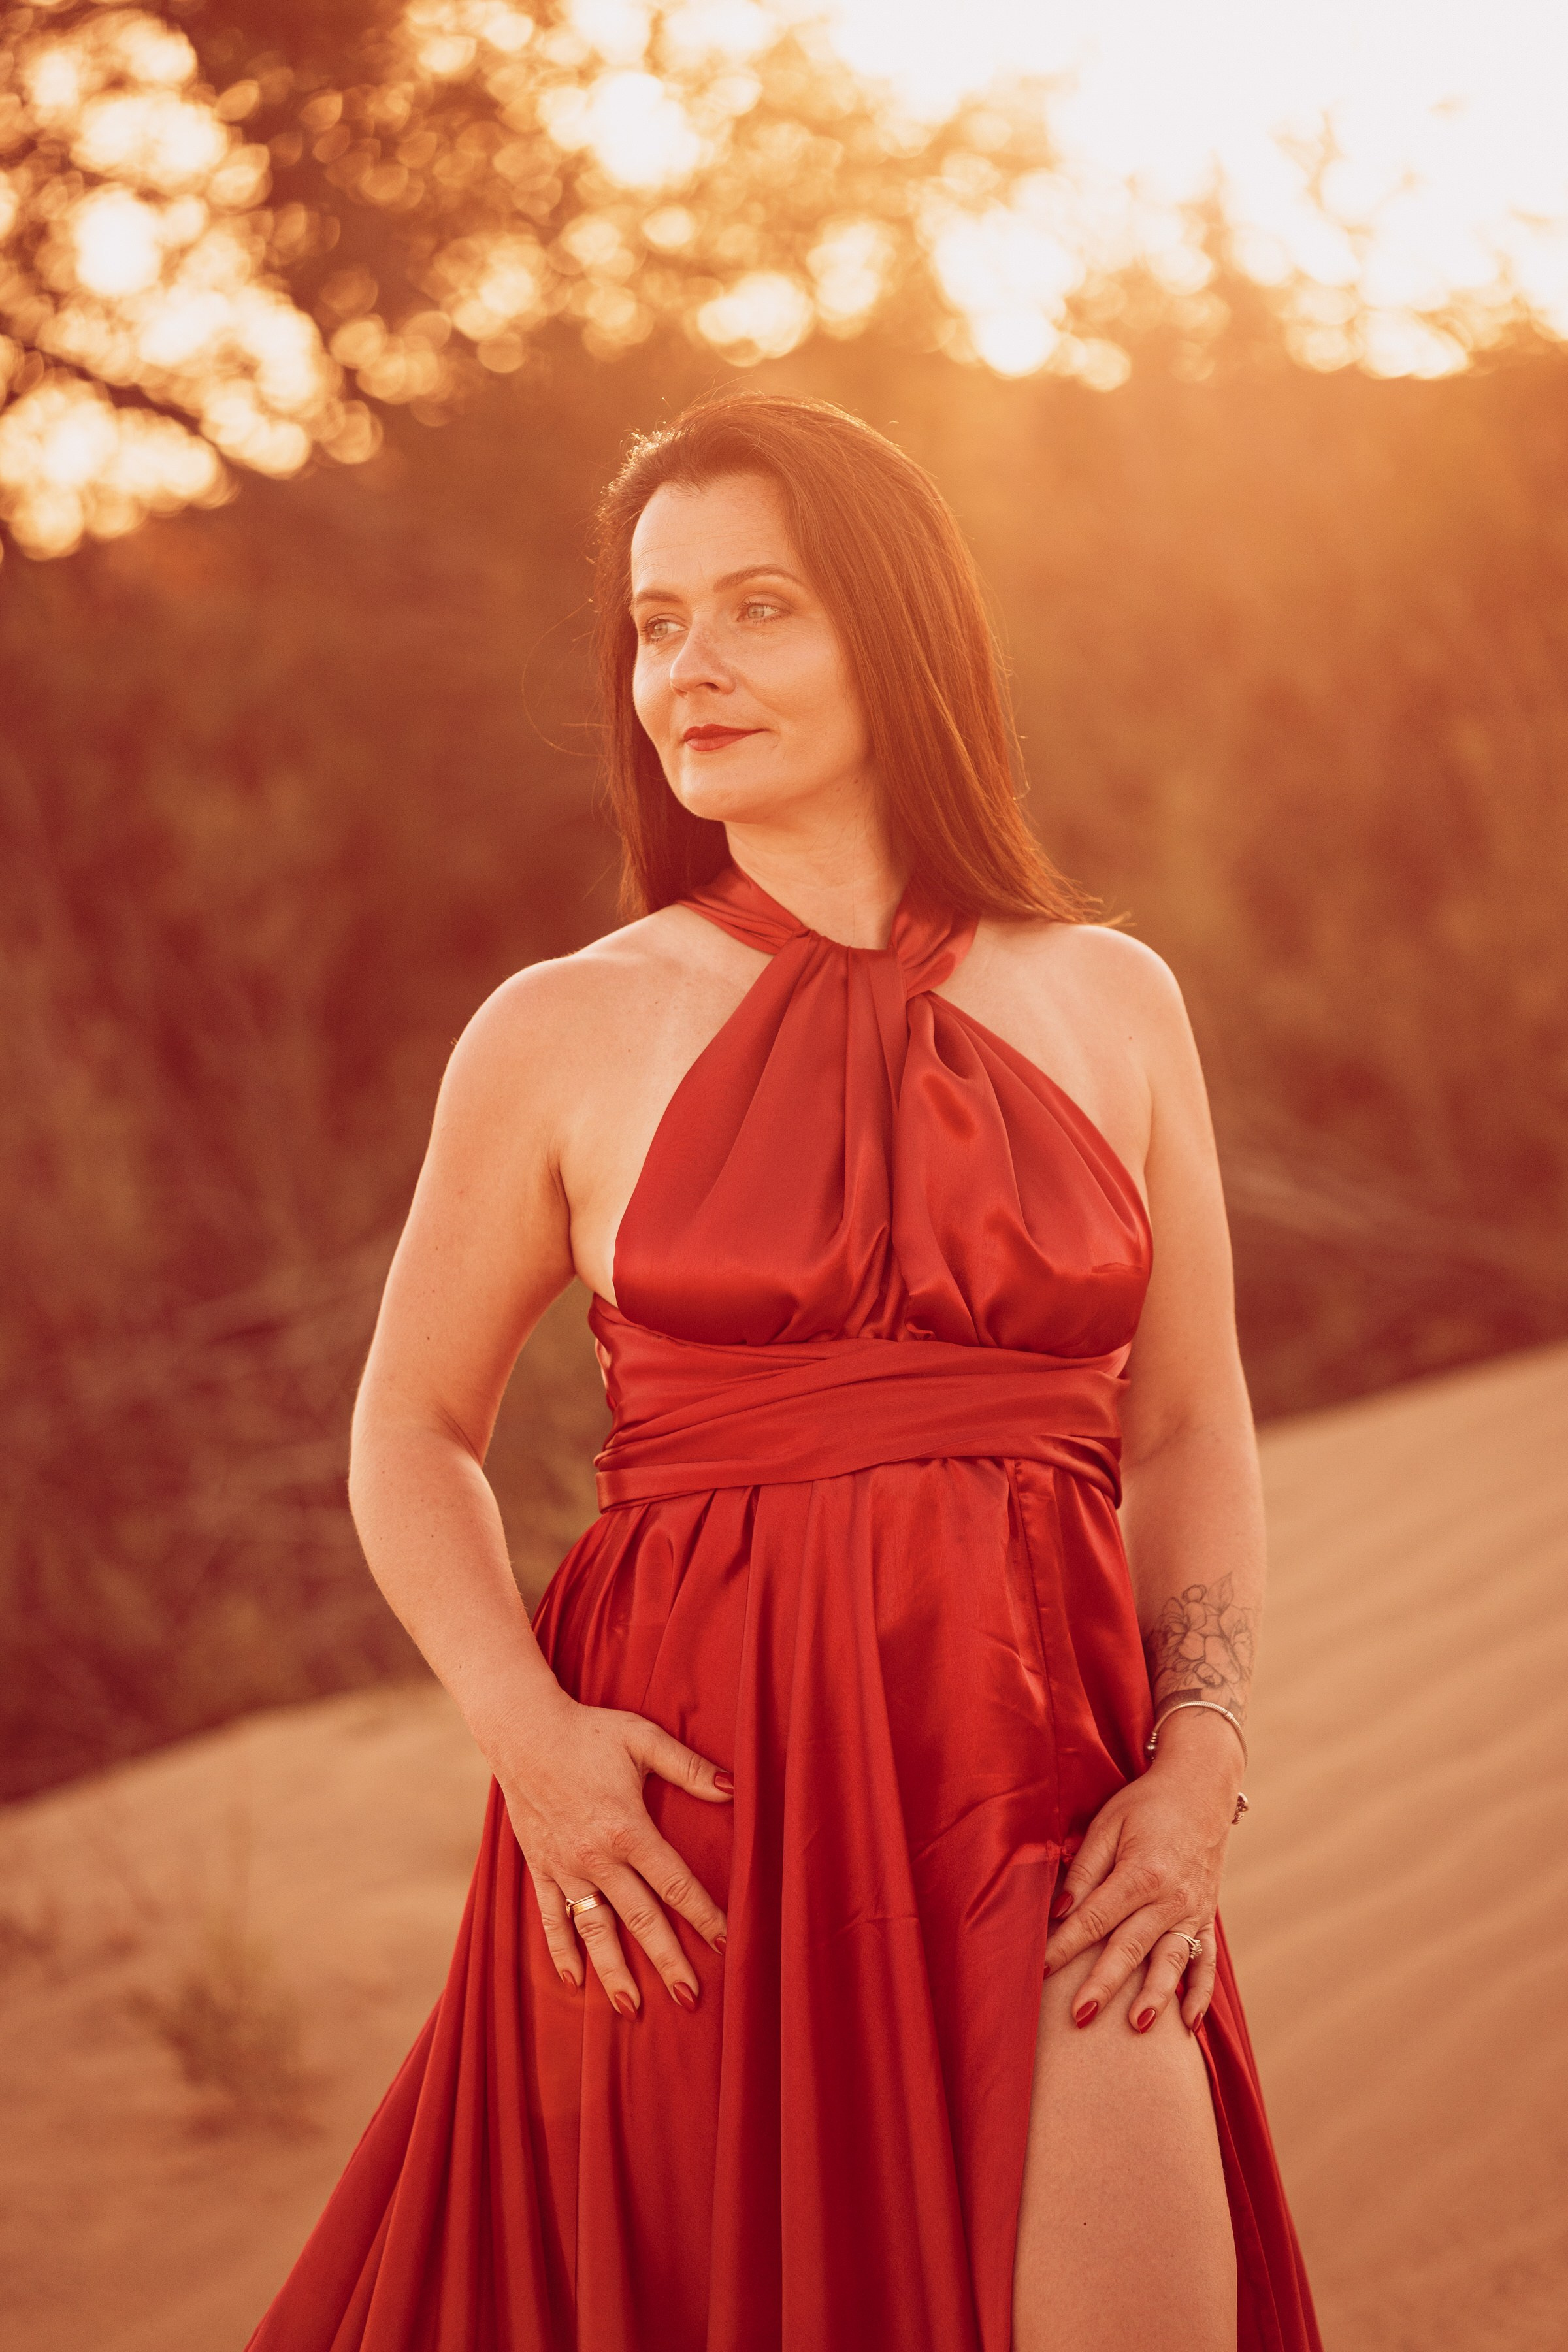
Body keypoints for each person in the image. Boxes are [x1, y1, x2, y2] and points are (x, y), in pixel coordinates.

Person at [248, 390, 1320, 2352]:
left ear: (896, 635)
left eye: (760, 609)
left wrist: (1205, 1758)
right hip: (690, 1826)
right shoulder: (562, 1030)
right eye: (658, 625)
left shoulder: (1111, 1000)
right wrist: (532, 1742)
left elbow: (1182, 1423)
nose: (692, 669)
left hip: (1051, 1795)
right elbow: (410, 1432)